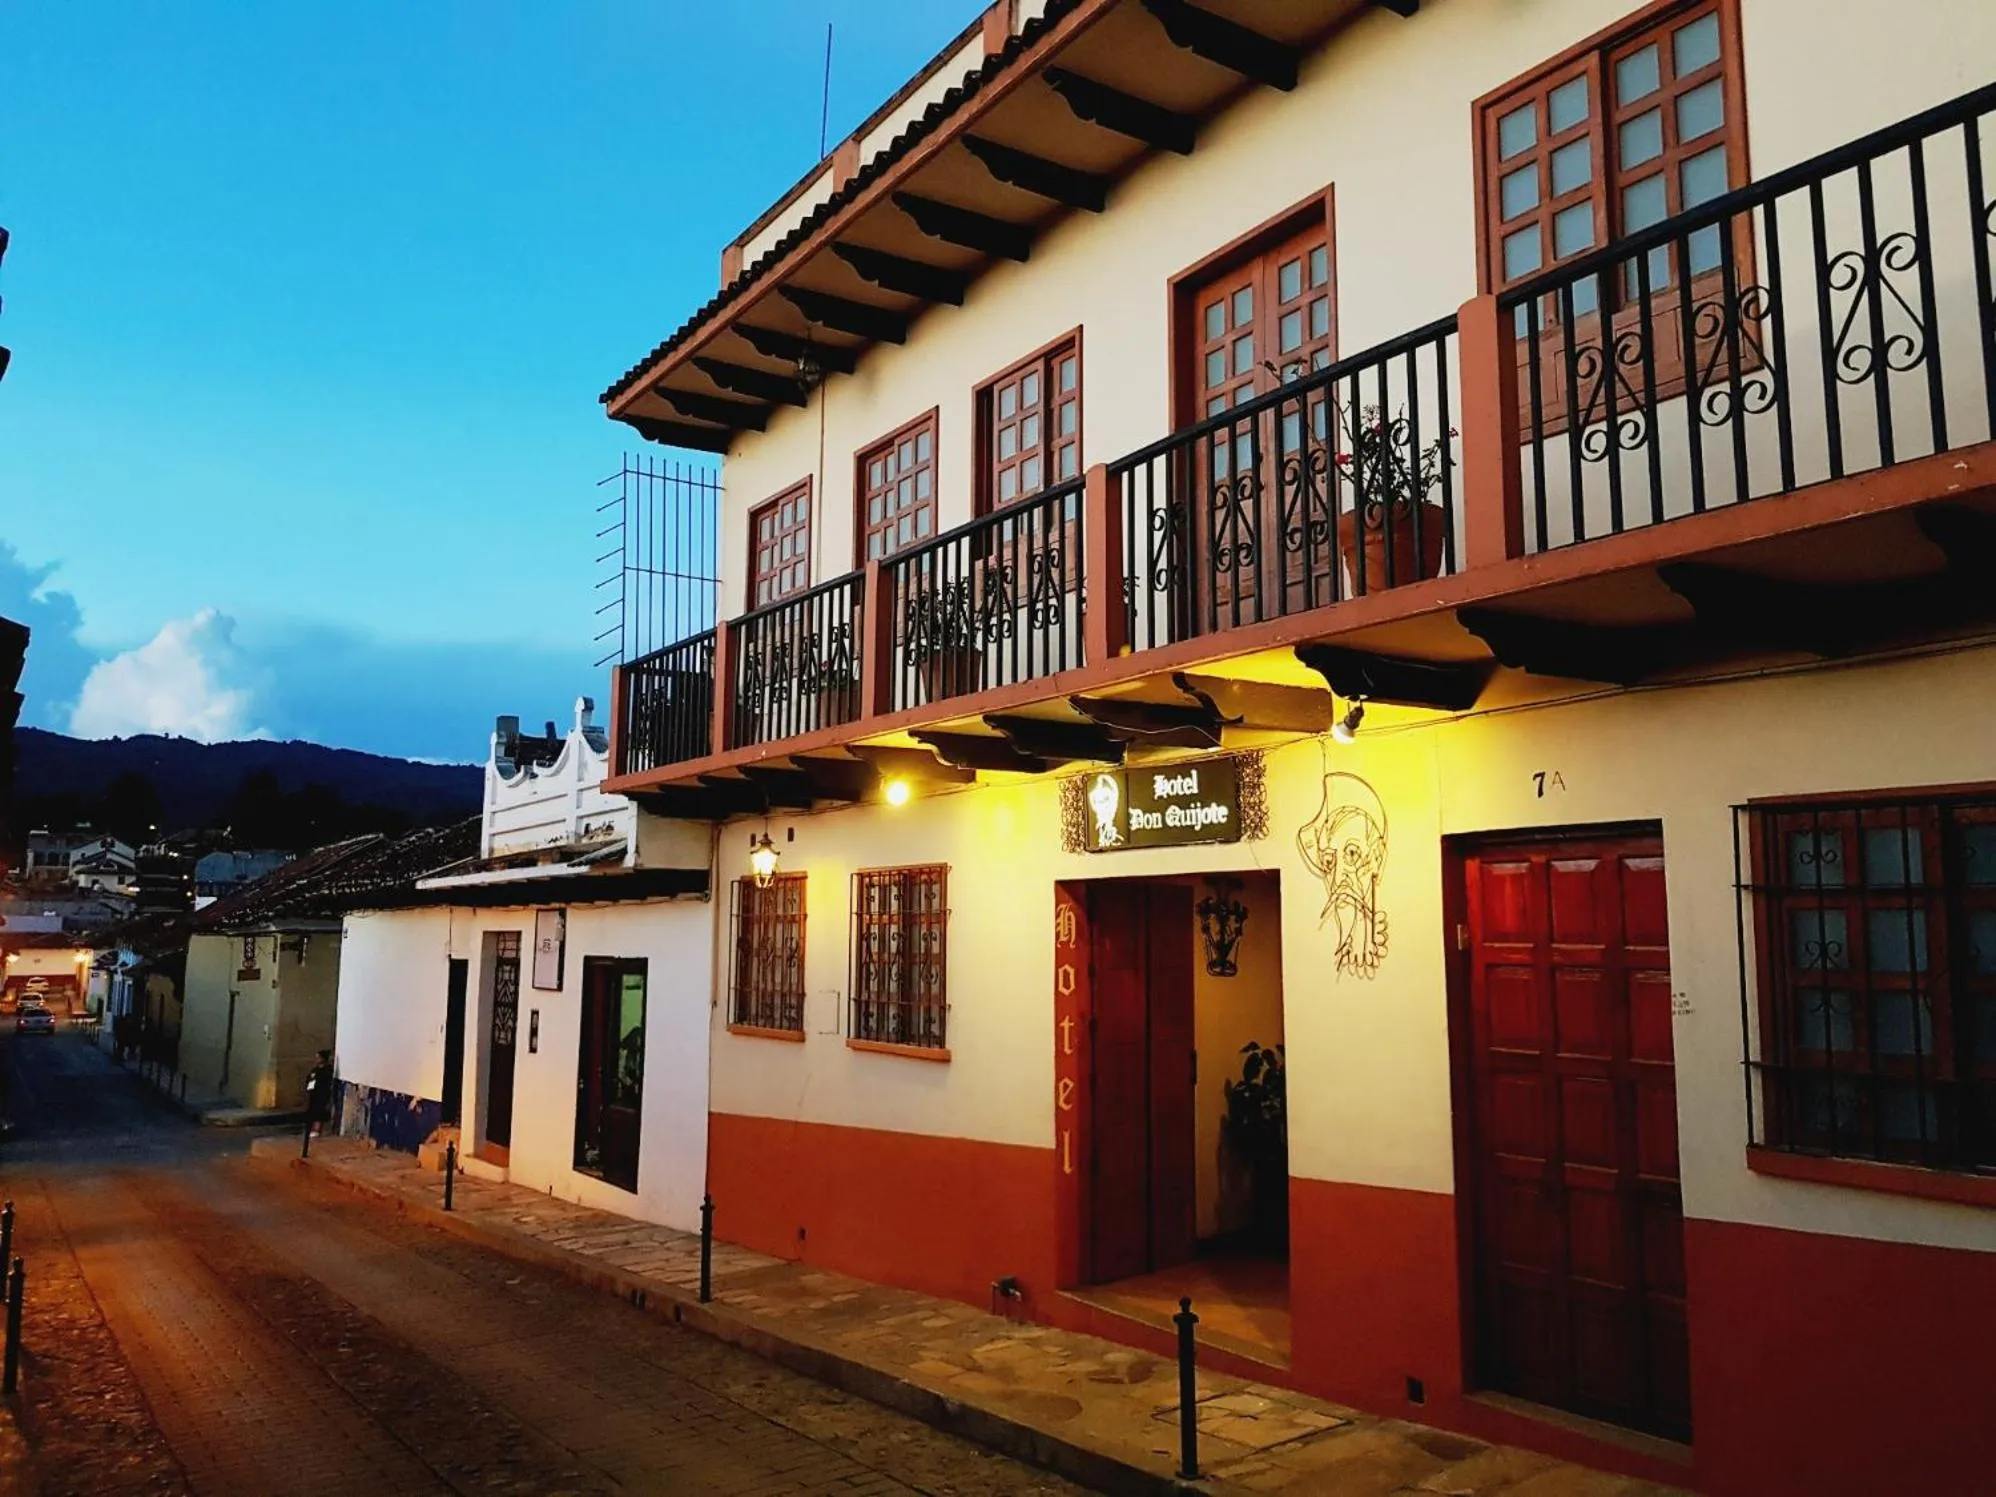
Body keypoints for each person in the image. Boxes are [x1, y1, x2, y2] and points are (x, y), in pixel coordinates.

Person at [304, 1049, 335, 1136]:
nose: (317, 1059)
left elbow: (327, 1082)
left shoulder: (327, 1070)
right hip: (314, 1093)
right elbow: (309, 1079)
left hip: (322, 1093)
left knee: (320, 1111)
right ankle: (312, 1128)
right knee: (312, 1110)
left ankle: (318, 1129)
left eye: (318, 1058)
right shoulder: (315, 1070)